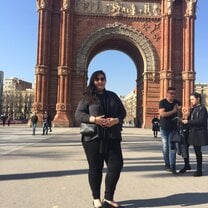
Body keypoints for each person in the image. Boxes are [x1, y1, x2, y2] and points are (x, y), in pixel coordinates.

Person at [75, 70, 126, 208]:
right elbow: (79, 114)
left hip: (112, 136)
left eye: (102, 79)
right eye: (97, 79)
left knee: (116, 165)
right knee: (95, 168)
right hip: (93, 138)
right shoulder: (88, 97)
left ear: (105, 80)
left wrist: (116, 120)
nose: (100, 81)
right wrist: (94, 119)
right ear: (93, 81)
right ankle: (96, 198)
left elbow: (122, 112)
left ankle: (108, 197)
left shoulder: (113, 96)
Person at [181, 92, 208, 176]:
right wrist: (184, 116)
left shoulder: (202, 109)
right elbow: (189, 120)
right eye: (190, 99)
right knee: (184, 146)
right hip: (191, 132)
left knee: (197, 151)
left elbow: (201, 121)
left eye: (192, 99)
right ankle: (187, 165)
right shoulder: (193, 108)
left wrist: (188, 121)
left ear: (198, 98)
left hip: (198, 133)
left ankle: (199, 170)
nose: (191, 101)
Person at [159, 87, 181, 174]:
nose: (173, 95)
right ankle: (167, 164)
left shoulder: (177, 102)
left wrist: (181, 111)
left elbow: (182, 112)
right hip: (164, 128)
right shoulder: (163, 102)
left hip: (173, 129)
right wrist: (174, 111)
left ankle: (173, 166)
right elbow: (162, 114)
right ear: (167, 93)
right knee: (165, 147)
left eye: (174, 93)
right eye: (171, 93)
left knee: (172, 147)